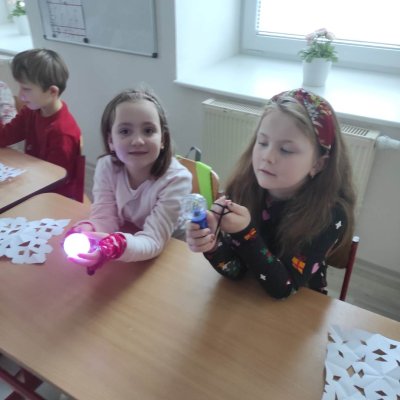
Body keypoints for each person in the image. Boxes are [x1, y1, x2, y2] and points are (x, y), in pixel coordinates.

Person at [186, 88, 356, 299]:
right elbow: (237, 270)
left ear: (318, 164)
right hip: (246, 300)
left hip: (299, 308)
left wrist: (245, 233)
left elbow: (283, 288)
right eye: (263, 142)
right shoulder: (244, 187)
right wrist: (213, 244)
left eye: (286, 150)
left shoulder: (329, 215)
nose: (267, 156)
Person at [66, 88, 192, 274]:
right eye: (125, 131)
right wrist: (90, 228)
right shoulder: (106, 167)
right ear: (111, 141)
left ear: (163, 139)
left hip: (173, 246)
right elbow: (105, 217)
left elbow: (154, 240)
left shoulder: (177, 180)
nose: (138, 140)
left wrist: (116, 245)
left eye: (148, 130)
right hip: (133, 233)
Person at [0, 49, 82, 200]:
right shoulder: (31, 111)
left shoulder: (62, 133)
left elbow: (54, 182)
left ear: (52, 92)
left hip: (54, 197)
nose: (20, 95)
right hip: (35, 182)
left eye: (26, 89)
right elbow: (3, 137)